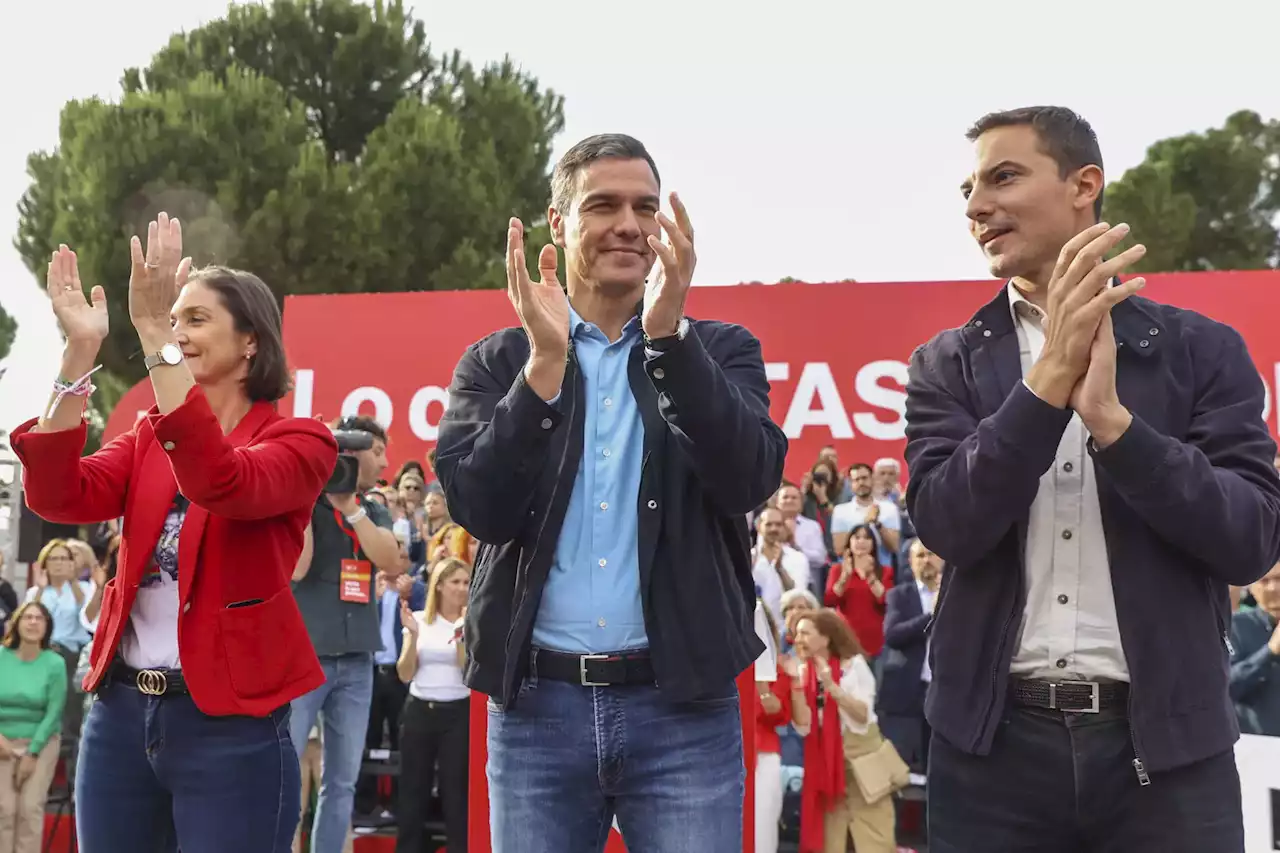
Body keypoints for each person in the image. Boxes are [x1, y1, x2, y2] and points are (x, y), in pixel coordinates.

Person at [904, 106, 1280, 852]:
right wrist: (1043, 391)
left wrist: (1116, 426)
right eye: (969, 189)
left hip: (1169, 758)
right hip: (988, 760)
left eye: (1004, 177)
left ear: (1085, 184)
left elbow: (1249, 540)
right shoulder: (943, 362)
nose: (977, 206)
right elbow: (948, 524)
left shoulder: (1202, 351)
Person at [435, 133, 787, 853]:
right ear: (558, 223)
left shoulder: (718, 350)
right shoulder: (501, 359)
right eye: (604, 204)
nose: (629, 223)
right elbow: (479, 506)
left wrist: (669, 342)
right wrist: (543, 369)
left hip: (683, 708)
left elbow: (748, 476)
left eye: (645, 207)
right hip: (537, 710)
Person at [9, 214, 338, 853]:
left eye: (196, 319)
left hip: (231, 725)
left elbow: (222, 480)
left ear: (251, 342)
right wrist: (79, 352)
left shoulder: (301, 442)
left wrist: (157, 334)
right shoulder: (145, 442)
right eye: (174, 317)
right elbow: (55, 493)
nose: (178, 330)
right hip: (121, 718)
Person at [289, 414, 401, 853]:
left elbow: (391, 561)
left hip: (357, 659)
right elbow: (297, 567)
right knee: (284, 768)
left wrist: (350, 508)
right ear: (349, 455)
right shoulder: (304, 501)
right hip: (306, 658)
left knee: (342, 782)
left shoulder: (371, 508)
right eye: (376, 451)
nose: (384, 460)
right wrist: (311, 489)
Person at [786, 608, 896, 853]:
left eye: (805, 633)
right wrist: (795, 687)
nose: (798, 640)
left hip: (863, 761)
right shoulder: (803, 673)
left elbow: (862, 714)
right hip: (826, 766)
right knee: (829, 841)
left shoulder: (854, 666)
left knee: (875, 837)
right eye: (796, 634)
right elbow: (803, 727)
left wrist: (832, 688)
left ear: (825, 639)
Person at [395, 557, 470, 853]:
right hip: (420, 711)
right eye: (455, 582)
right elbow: (404, 673)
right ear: (439, 586)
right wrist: (412, 636)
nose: (462, 588)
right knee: (413, 791)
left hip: (458, 713)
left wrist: (463, 636)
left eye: (466, 582)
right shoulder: (418, 620)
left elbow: (468, 674)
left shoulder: (471, 622)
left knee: (456, 795)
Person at [0, 602, 67, 853]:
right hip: (2, 740)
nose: (32, 622)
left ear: (47, 626)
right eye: (27, 617)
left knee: (29, 808)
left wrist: (32, 752)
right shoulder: (0, 657)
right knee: (4, 809)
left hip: (41, 741)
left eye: (39, 618)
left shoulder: (55, 663)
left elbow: (53, 712)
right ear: (16, 624)